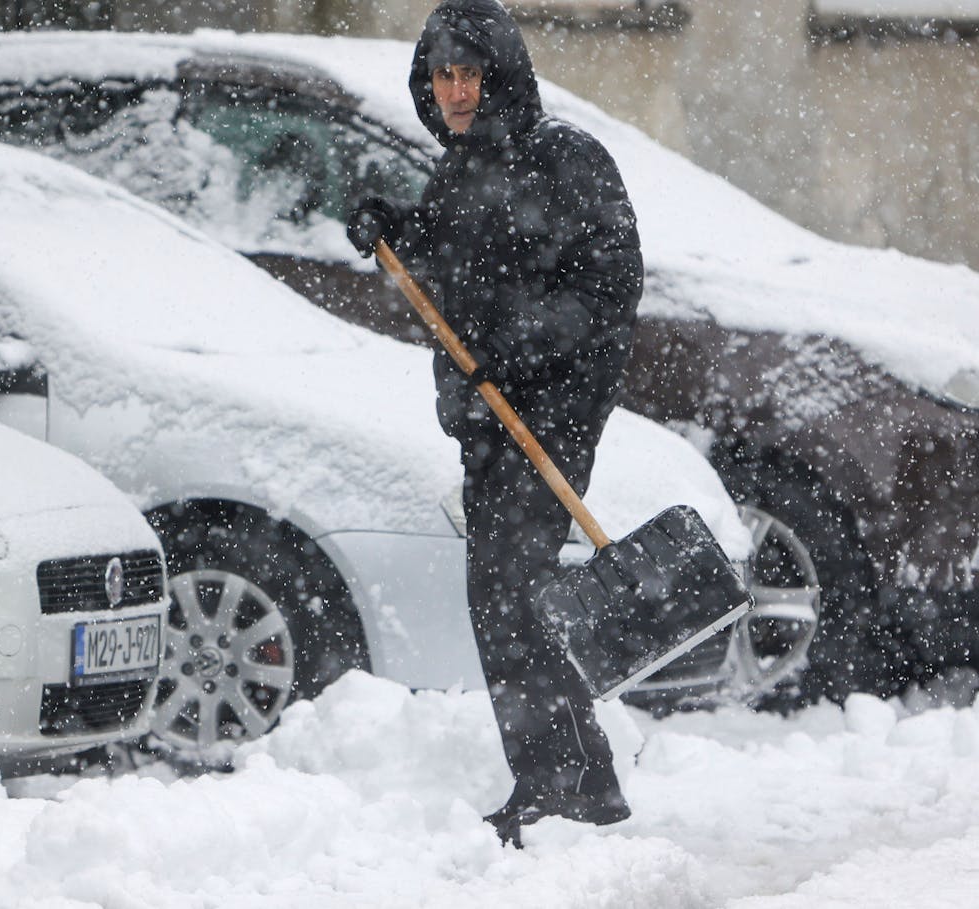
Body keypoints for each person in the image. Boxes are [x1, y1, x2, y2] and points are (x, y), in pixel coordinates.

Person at [345, 0, 644, 847]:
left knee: (510, 596)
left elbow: (609, 287)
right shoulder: (460, 172)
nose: (455, 90)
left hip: (549, 416)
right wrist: (389, 223)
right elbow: (443, 265)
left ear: (502, 72)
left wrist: (519, 345)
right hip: (485, 423)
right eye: (441, 74)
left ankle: (562, 785)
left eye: (469, 71)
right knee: (506, 598)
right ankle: (579, 777)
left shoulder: (566, 160)